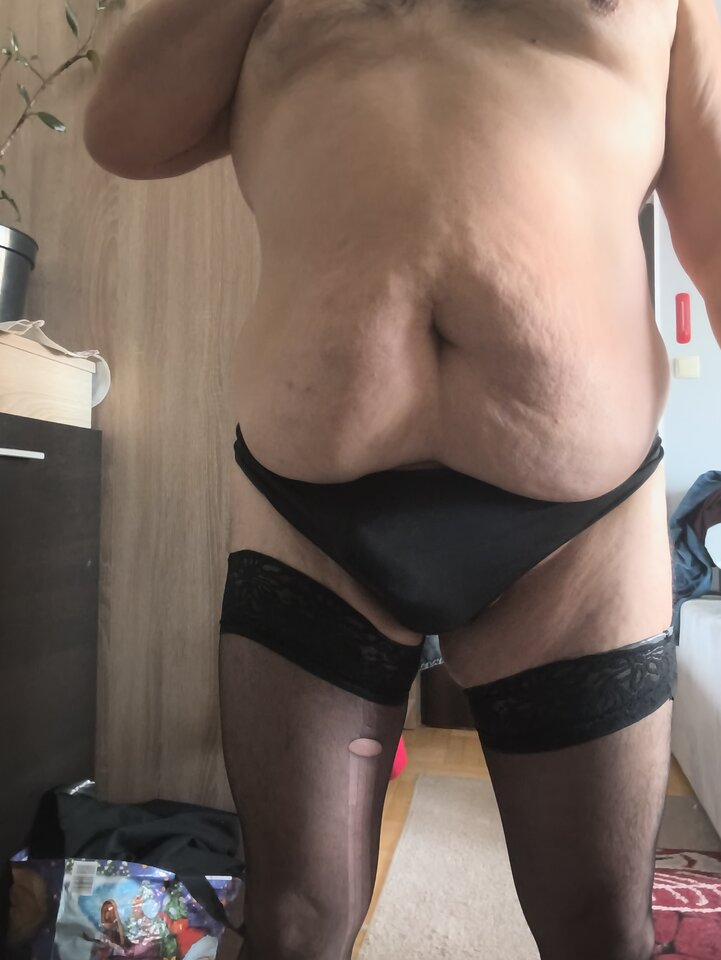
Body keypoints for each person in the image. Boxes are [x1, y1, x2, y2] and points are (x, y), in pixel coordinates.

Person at [83, 1, 721, 958]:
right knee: (293, 925)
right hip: (310, 518)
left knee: (599, 933)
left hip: (578, 534)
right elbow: (122, 130)